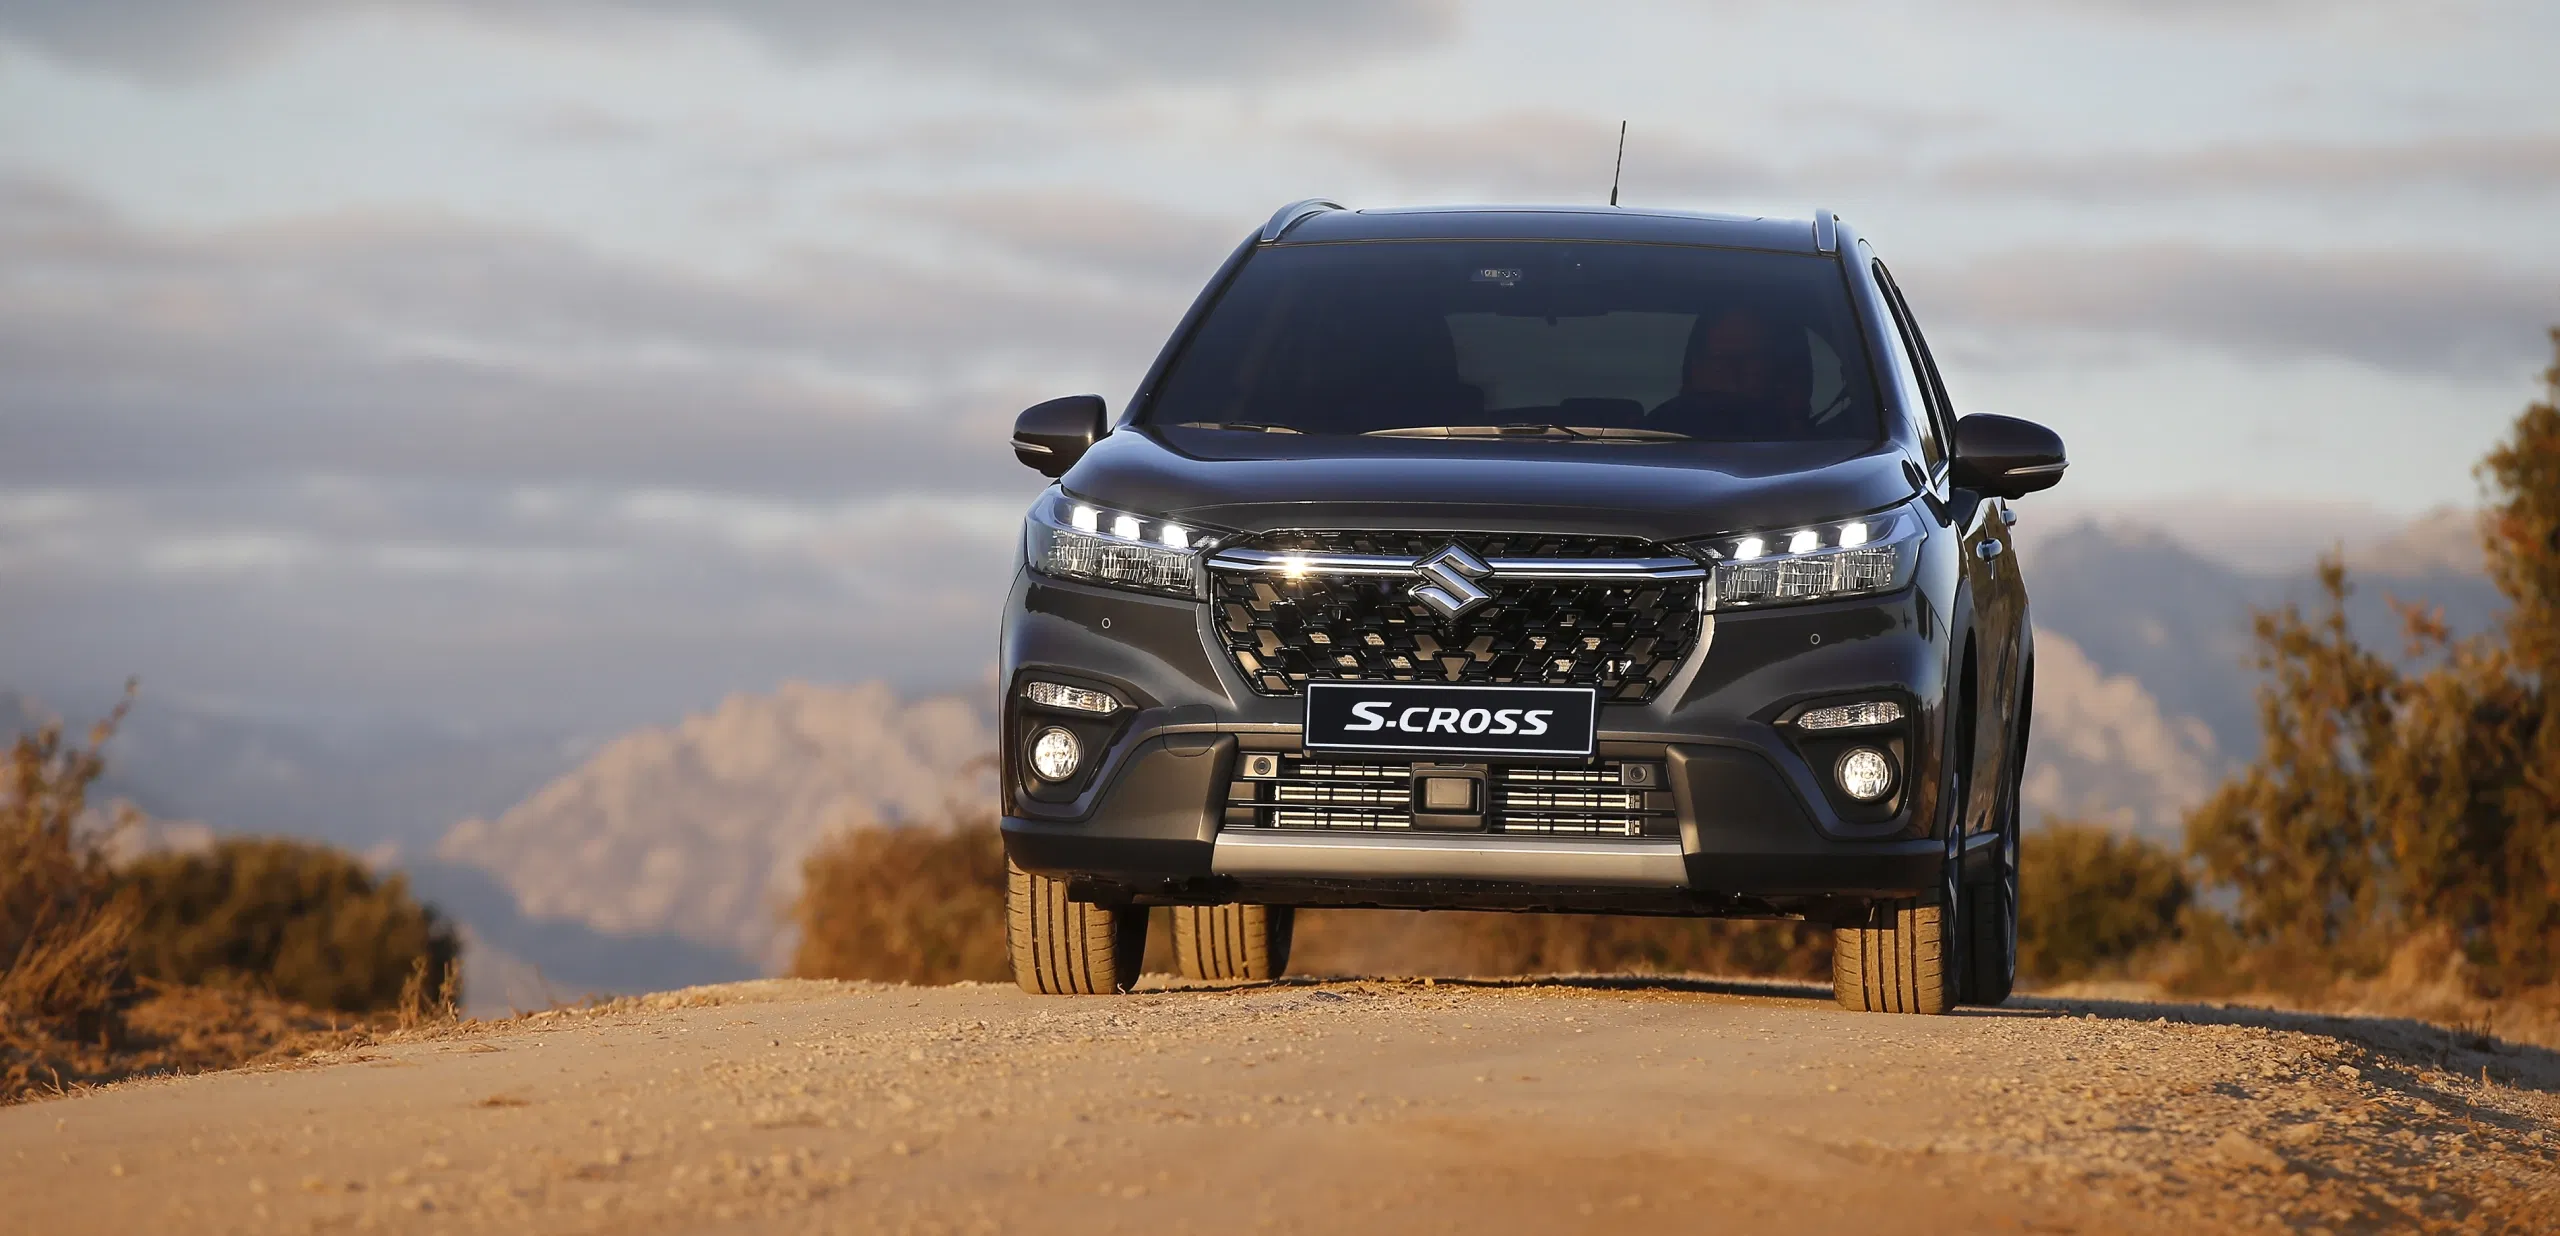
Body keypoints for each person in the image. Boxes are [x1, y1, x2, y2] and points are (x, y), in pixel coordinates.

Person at [1649, 306, 1812, 440]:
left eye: (1749, 358)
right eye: (1718, 359)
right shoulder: (1654, 436)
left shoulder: (1817, 454)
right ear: (1694, 368)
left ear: (1779, 371)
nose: (1731, 372)